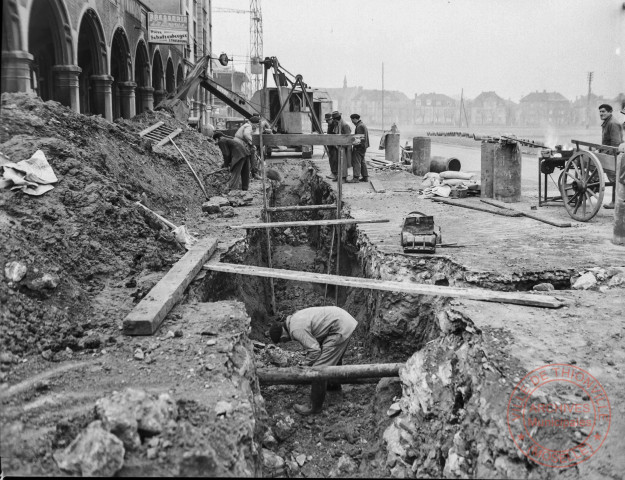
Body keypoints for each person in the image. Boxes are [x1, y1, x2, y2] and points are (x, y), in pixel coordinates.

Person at [269, 306, 358, 415]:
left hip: (339, 327)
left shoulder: (295, 330)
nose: (284, 343)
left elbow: (315, 351)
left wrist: (304, 365)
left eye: (282, 341)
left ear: (282, 335)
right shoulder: (293, 319)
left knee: (319, 369)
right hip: (342, 320)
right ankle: (333, 386)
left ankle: (314, 407)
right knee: (331, 356)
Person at [599, 104, 623, 209]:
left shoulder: (613, 123)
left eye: (603, 111)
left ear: (610, 112)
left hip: (613, 155)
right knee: (614, 179)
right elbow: (606, 141)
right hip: (607, 153)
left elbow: (615, 143)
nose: (601, 113)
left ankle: (615, 202)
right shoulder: (607, 122)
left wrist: (606, 156)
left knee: (614, 179)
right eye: (600, 111)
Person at [235, 115, 262, 180]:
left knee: (252, 150)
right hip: (240, 143)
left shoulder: (247, 125)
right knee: (253, 151)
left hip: (239, 143)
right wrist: (252, 142)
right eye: (257, 125)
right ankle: (254, 172)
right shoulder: (248, 126)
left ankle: (253, 171)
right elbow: (246, 134)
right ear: (254, 123)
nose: (257, 126)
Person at [350, 113, 370, 183]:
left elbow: (359, 139)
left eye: (352, 120)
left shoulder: (359, 126)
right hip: (363, 147)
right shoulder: (362, 125)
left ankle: (356, 178)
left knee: (357, 162)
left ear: (355, 119)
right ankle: (365, 177)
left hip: (359, 147)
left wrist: (355, 147)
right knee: (362, 162)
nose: (352, 122)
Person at [331, 111, 351, 182]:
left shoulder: (344, 125)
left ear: (336, 119)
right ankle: (338, 176)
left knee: (343, 163)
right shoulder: (337, 124)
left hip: (344, 147)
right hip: (338, 146)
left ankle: (343, 178)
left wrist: (342, 146)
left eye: (333, 119)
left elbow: (348, 138)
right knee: (337, 162)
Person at [324, 113, 339, 181]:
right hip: (330, 145)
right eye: (326, 120)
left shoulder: (334, 125)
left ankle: (334, 173)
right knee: (331, 159)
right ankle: (333, 173)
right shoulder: (330, 125)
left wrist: (334, 145)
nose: (327, 122)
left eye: (328, 120)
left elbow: (335, 136)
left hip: (333, 146)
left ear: (331, 119)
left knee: (334, 160)